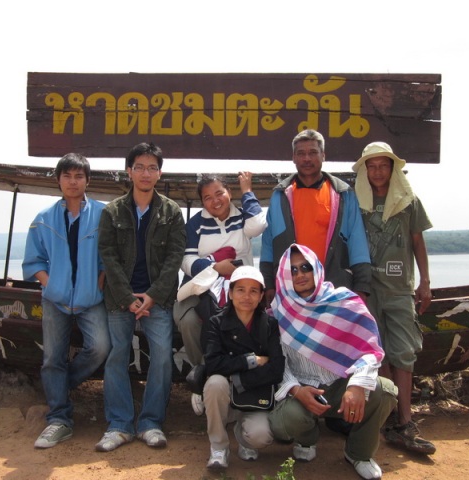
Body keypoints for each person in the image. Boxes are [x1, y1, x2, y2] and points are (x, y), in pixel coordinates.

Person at [269, 244, 397, 479]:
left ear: (316, 268)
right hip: (303, 388)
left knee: (384, 391)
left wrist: (357, 384)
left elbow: (370, 351)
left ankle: (358, 453)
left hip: (341, 385)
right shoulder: (279, 311)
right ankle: (307, 439)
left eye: (305, 267)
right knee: (285, 421)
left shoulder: (345, 302)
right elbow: (278, 361)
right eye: (293, 270)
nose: (300, 274)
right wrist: (296, 390)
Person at [96, 142, 186, 452]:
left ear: (159, 173)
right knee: (117, 355)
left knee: (162, 357)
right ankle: (119, 425)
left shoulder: (171, 212)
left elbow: (174, 257)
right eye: (139, 167)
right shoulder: (112, 211)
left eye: (152, 168)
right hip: (119, 298)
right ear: (129, 171)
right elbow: (108, 256)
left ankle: (151, 423)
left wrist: (152, 296)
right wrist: (127, 297)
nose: (145, 173)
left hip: (157, 299)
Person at [352, 141, 436, 454]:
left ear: (392, 168)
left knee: (403, 353)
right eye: (371, 166)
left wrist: (425, 282)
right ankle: (387, 418)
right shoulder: (356, 201)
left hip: (400, 289)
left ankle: (406, 421)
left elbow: (418, 241)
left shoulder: (408, 200)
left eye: (383, 165)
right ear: (365, 170)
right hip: (368, 289)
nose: (377, 172)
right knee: (379, 354)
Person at [22, 153, 110, 449]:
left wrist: (99, 281)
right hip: (55, 299)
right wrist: (51, 284)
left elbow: (110, 255)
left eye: (79, 176)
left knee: (100, 347)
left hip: (91, 298)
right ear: (58, 180)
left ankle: (61, 384)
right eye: (67, 176)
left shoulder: (103, 214)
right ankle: (59, 419)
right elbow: (33, 260)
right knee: (52, 358)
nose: (73, 182)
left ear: (88, 180)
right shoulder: (44, 219)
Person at [174, 173, 267, 415]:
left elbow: (258, 226)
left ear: (229, 192)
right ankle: (201, 373)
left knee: (239, 321)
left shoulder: (243, 216)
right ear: (202, 202)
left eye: (219, 193)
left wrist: (247, 190)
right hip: (199, 286)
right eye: (207, 197)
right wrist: (215, 267)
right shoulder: (195, 223)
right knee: (189, 320)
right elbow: (186, 261)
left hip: (238, 285)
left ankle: (235, 380)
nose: (215, 201)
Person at [260, 129, 371, 305]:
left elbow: (357, 242)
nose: (307, 158)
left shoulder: (343, 194)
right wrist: (268, 284)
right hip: (291, 290)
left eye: (313, 152)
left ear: (323, 155)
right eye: (301, 153)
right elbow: (268, 243)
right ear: (293, 158)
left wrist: (361, 286)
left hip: (334, 288)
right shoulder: (280, 196)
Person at [203, 266, 285, 470]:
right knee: (214, 383)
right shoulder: (216, 322)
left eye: (253, 291)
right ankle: (218, 447)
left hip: (254, 396)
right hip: (225, 397)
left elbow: (276, 369)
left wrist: (238, 380)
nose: (246, 296)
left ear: (261, 296)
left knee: (261, 437)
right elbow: (212, 364)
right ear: (230, 293)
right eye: (240, 290)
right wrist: (251, 360)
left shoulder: (270, 325)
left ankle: (243, 437)